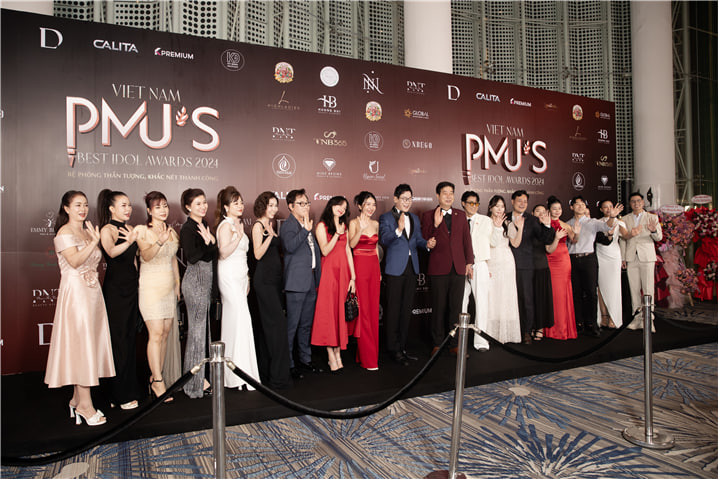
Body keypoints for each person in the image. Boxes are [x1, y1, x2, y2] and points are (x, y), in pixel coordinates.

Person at [45, 191, 115, 426]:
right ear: (66, 208)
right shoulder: (64, 233)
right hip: (76, 294)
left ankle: (77, 399)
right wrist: (94, 242)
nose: (83, 209)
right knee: (81, 346)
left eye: (85, 204)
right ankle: (85, 405)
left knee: (89, 345)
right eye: (77, 205)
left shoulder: (87, 230)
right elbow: (75, 261)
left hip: (93, 294)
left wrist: (92, 240)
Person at [379, 184, 435, 366]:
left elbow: (417, 239)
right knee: (393, 310)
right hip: (395, 269)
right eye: (404, 198)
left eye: (410, 199)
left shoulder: (414, 218)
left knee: (406, 310)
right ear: (395, 199)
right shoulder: (386, 217)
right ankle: (392, 349)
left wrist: (427, 244)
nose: (407, 202)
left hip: (412, 268)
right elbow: (384, 239)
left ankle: (402, 347)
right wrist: (398, 230)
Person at [96, 189, 142, 410]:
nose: (128, 209)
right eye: (123, 205)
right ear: (111, 208)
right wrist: (129, 241)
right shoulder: (107, 229)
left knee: (130, 338)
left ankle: (128, 389)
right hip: (115, 291)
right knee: (118, 340)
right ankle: (118, 394)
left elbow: (133, 260)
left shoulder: (130, 228)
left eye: (129, 204)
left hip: (131, 288)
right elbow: (111, 252)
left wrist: (138, 282)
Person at [136, 191, 181, 403]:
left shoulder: (172, 232)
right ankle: (158, 380)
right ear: (149, 210)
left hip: (168, 288)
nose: (163, 210)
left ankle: (156, 376)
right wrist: (160, 242)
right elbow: (146, 256)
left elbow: (173, 260)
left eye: (165, 206)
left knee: (164, 333)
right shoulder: (142, 231)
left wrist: (177, 284)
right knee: (155, 333)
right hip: (150, 287)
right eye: (157, 207)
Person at [422, 181, 474, 356]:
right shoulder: (428, 215)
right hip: (438, 267)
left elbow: (467, 240)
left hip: (458, 268)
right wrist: (436, 225)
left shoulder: (461, 214)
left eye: (451, 192)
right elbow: (425, 238)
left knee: (456, 308)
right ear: (438, 195)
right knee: (438, 307)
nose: (448, 196)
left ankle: (454, 344)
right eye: (445, 193)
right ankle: (437, 343)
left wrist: (469, 262)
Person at [216, 186, 259, 390]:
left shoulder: (238, 224)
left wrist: (247, 278)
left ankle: (238, 374)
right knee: (240, 321)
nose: (240, 206)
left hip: (241, 277)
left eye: (241, 202)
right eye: (235, 203)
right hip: (229, 277)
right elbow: (223, 253)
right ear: (226, 207)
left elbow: (243, 256)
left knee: (238, 323)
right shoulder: (226, 226)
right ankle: (238, 376)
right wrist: (238, 237)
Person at [279, 189, 323, 379]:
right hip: (296, 284)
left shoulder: (307, 224)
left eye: (307, 203)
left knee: (305, 325)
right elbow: (289, 247)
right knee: (292, 326)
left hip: (310, 281)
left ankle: (305, 360)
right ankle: (289, 364)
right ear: (291, 206)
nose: (305, 207)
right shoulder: (288, 226)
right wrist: (305, 230)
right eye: (301, 203)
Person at [251, 191, 292, 389]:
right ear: (262, 206)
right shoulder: (258, 226)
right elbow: (258, 254)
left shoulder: (269, 224)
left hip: (274, 282)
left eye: (276, 205)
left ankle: (270, 374)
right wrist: (269, 235)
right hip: (264, 282)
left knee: (270, 328)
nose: (275, 209)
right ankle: (276, 377)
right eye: (271, 205)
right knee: (276, 327)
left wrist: (272, 232)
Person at [311, 196, 357, 372]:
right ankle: (331, 355)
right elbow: (325, 250)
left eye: (344, 207)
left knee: (340, 314)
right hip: (328, 275)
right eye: (338, 205)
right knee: (329, 315)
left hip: (343, 275)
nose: (341, 209)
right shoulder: (322, 226)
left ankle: (338, 352)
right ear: (331, 206)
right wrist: (336, 234)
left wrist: (353, 277)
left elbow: (348, 251)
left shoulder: (344, 226)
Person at [566, 195, 622, 337]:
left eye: (582, 204)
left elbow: (607, 226)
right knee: (576, 293)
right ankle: (578, 323)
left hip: (589, 259)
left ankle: (592, 324)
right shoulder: (567, 224)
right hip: (572, 260)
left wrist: (612, 217)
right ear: (571, 207)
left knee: (591, 292)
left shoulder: (593, 222)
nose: (580, 206)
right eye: (577, 204)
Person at [179, 188, 216, 398]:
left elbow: (213, 254)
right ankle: (195, 383)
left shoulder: (205, 225)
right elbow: (193, 257)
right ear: (188, 207)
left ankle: (200, 377)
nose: (203, 207)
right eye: (198, 203)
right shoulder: (187, 229)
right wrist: (209, 243)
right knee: (196, 333)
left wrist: (211, 244)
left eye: (204, 202)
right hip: (194, 283)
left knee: (202, 332)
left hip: (205, 282)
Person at [508, 190, 555, 344]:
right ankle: (509, 331)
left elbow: (545, 239)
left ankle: (527, 331)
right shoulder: (504, 217)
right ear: (512, 201)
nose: (522, 204)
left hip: (525, 266)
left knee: (526, 300)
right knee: (508, 300)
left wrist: (547, 225)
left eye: (525, 201)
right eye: (519, 201)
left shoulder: (532, 220)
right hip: (505, 265)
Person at [619, 192, 662, 331]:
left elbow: (659, 238)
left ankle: (649, 320)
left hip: (647, 257)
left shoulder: (652, 217)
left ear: (643, 202)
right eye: (633, 201)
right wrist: (623, 258)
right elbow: (623, 239)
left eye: (638, 201)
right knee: (634, 290)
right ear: (630, 204)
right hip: (631, 257)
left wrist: (653, 231)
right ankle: (636, 319)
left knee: (648, 289)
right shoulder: (625, 219)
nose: (636, 203)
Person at [348, 191, 381, 370]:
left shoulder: (376, 224)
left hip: (374, 268)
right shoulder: (353, 223)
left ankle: (367, 354)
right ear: (360, 206)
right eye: (367, 204)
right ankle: (368, 358)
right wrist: (360, 229)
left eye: (373, 204)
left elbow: (375, 248)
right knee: (364, 313)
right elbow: (351, 245)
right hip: (359, 267)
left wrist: (379, 271)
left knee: (373, 312)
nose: (371, 208)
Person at [460, 191, 495, 351]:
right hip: (460, 265)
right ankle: (459, 341)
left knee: (481, 303)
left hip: (479, 263)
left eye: (476, 203)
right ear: (463, 203)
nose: (473, 206)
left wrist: (498, 228)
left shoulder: (486, 220)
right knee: (461, 303)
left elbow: (492, 242)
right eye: (470, 203)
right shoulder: (458, 219)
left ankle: (481, 341)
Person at [485, 195, 522, 344]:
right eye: (497, 206)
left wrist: (520, 228)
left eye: (502, 206)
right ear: (490, 207)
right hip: (491, 261)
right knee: (492, 298)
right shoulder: (485, 222)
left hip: (507, 262)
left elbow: (516, 244)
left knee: (507, 296)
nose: (500, 209)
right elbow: (489, 244)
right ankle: (491, 334)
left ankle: (507, 334)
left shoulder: (508, 223)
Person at [542, 196, 577, 340]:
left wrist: (577, 232)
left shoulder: (565, 225)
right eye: (554, 208)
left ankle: (561, 328)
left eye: (559, 209)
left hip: (563, 260)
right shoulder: (545, 223)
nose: (557, 211)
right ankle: (549, 328)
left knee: (562, 293)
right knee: (551, 293)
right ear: (549, 210)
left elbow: (574, 240)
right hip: (549, 258)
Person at [596, 199, 628, 329]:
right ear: (601, 209)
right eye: (605, 207)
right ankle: (604, 317)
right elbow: (603, 234)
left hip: (614, 256)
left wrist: (633, 233)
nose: (608, 209)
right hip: (600, 255)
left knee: (614, 287)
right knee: (601, 287)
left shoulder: (620, 222)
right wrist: (612, 218)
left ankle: (613, 317)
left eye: (610, 206)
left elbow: (626, 236)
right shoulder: (597, 222)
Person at [530, 204, 555, 341]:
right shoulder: (527, 226)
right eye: (537, 211)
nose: (540, 213)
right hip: (527, 268)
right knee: (529, 299)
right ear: (532, 213)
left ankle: (539, 327)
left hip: (541, 267)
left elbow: (548, 242)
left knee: (540, 299)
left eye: (543, 211)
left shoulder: (548, 228)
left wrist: (547, 226)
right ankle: (530, 326)